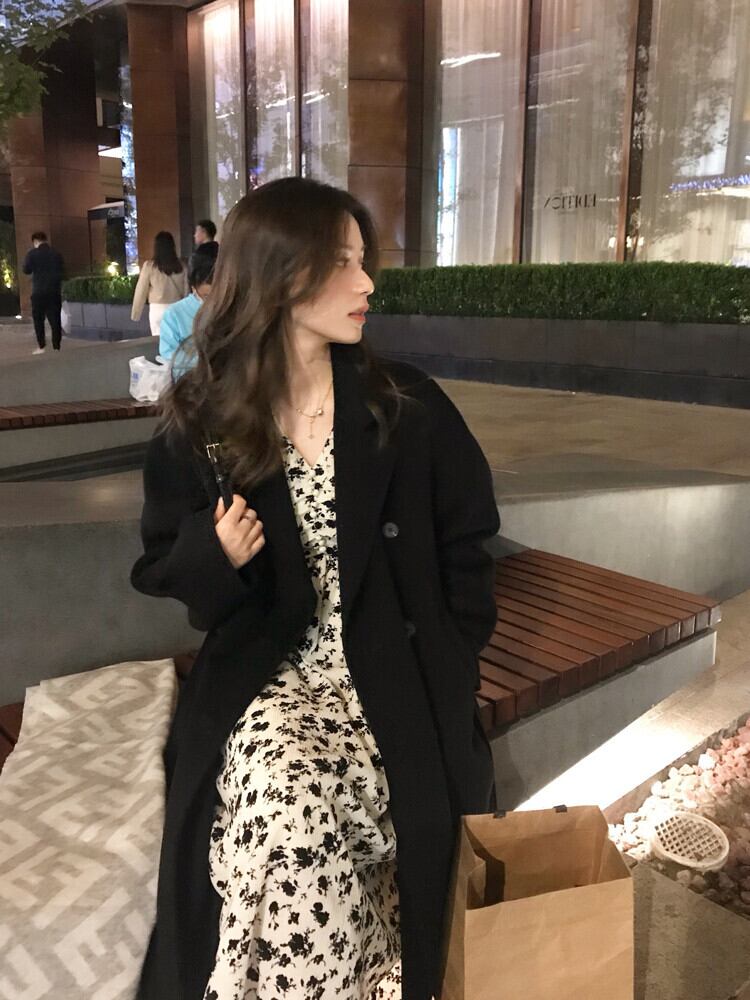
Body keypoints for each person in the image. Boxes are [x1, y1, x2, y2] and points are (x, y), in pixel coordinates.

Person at [131, 177, 499, 1000]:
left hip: (392, 673)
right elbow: (166, 566)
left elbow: (469, 541)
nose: (367, 283)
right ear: (280, 275)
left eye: (363, 261)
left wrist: (452, 652)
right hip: (270, 676)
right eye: (342, 263)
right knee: (288, 810)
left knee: (353, 817)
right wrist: (216, 554)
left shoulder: (405, 407)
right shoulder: (207, 421)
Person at [158, 242, 218, 377]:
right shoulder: (175, 314)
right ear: (193, 287)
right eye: (206, 296)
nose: (213, 300)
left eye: (220, 293)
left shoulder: (235, 310)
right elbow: (169, 353)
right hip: (191, 381)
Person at [131, 231, 189, 338]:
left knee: (158, 341)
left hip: (157, 309)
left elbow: (141, 290)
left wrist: (136, 313)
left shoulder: (149, 266)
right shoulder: (182, 266)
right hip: (177, 308)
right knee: (177, 340)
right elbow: (186, 291)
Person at [22, 232, 65, 354]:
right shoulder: (56, 254)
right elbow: (62, 270)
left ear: (35, 241)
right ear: (46, 240)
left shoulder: (32, 254)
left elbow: (26, 270)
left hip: (38, 292)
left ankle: (41, 346)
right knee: (55, 320)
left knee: (38, 320)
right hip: (54, 291)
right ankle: (56, 347)